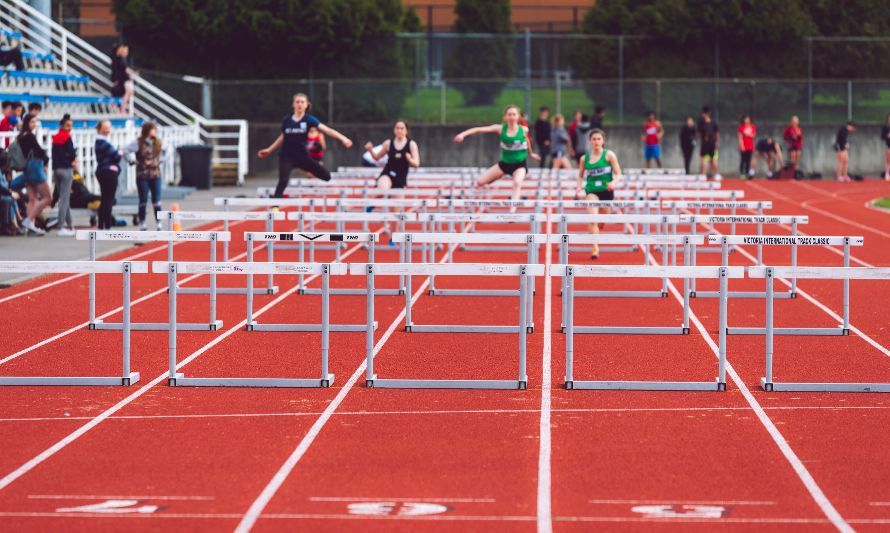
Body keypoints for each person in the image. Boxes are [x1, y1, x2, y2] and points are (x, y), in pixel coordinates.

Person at [258, 93, 353, 198]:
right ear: (293, 104)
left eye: (302, 102)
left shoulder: (309, 119)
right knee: (283, 181)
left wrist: (343, 138)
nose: (299, 104)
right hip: (286, 156)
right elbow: (283, 136)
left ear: (307, 105)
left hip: (302, 157)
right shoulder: (287, 120)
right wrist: (269, 150)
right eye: (297, 102)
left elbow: (327, 130)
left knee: (326, 176)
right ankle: (275, 208)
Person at [454, 104, 541, 212]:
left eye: (514, 114)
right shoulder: (500, 129)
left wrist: (531, 154)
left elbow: (526, 141)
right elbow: (479, 130)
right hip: (504, 164)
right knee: (480, 182)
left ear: (518, 117)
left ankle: (512, 211)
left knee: (517, 183)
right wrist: (463, 134)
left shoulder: (524, 130)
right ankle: (486, 195)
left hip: (519, 165)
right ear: (505, 117)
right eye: (509, 114)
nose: (512, 117)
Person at [574, 129, 621, 259]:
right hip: (591, 191)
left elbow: (619, 173)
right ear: (590, 141)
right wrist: (579, 188)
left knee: (601, 222)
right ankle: (595, 248)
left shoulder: (609, 155)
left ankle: (594, 231)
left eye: (598, 139)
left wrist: (613, 183)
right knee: (593, 219)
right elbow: (580, 176)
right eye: (594, 139)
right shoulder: (585, 158)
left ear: (603, 141)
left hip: (607, 191)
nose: (596, 142)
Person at [123, 122, 165, 230]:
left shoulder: (158, 142)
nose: (155, 132)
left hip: (156, 175)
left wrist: (161, 160)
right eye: (153, 129)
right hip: (143, 175)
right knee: (143, 200)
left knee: (157, 200)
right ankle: (142, 223)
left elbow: (167, 151)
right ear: (147, 130)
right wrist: (132, 161)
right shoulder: (138, 143)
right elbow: (125, 150)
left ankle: (159, 223)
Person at [15, 114, 50, 235]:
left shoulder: (20, 136)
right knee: (47, 198)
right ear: (26, 123)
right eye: (32, 122)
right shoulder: (29, 136)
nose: (34, 125)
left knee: (32, 200)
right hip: (35, 168)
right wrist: (46, 161)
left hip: (27, 169)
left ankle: (31, 227)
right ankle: (29, 221)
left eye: (34, 122)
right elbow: (39, 151)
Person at [364, 120, 420, 191]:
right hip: (388, 173)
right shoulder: (388, 143)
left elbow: (417, 163)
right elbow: (377, 157)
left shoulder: (411, 144)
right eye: (397, 128)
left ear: (406, 131)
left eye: (402, 128)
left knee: (397, 201)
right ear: (394, 130)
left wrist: (409, 160)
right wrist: (370, 150)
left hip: (401, 178)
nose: (399, 130)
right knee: (383, 190)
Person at [94, 120, 124, 229]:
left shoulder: (101, 142)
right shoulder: (103, 143)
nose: (108, 129)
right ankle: (107, 225)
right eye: (105, 127)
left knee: (105, 198)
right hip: (108, 172)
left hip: (103, 171)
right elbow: (116, 157)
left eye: (109, 127)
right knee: (108, 199)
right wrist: (119, 153)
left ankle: (102, 224)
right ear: (100, 129)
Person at [51, 114, 77, 236]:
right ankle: (60, 226)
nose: (69, 128)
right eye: (67, 125)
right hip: (66, 169)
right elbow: (72, 154)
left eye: (70, 126)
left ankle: (70, 225)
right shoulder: (67, 137)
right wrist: (70, 157)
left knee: (63, 198)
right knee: (64, 199)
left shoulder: (55, 137)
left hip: (56, 170)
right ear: (62, 126)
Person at [111, 44, 138, 113]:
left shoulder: (120, 59)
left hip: (121, 80)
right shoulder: (119, 59)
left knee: (128, 93)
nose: (126, 52)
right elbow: (125, 69)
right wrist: (133, 73)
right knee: (127, 93)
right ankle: (122, 109)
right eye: (125, 50)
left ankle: (122, 109)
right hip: (121, 80)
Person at [698, 106, 720, 179]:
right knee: (713, 159)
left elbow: (698, 133)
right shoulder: (713, 122)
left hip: (706, 143)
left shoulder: (701, 122)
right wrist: (717, 142)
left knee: (704, 159)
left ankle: (703, 174)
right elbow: (717, 133)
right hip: (713, 143)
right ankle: (716, 174)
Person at [881, 113, 890, 181]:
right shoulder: (886, 127)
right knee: (888, 160)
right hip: (889, 145)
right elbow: (882, 137)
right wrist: (887, 136)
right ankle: (887, 173)